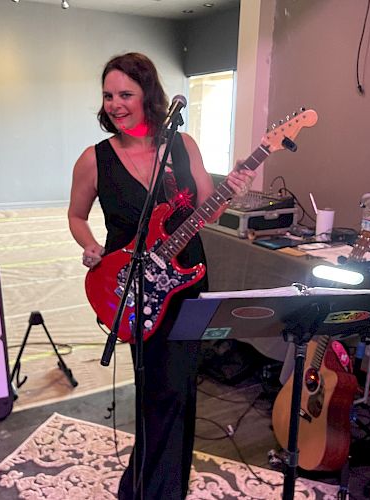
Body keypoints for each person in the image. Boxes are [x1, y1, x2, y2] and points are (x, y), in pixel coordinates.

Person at [68, 52, 256, 500]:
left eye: (125, 94)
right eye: (108, 95)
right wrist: (90, 246)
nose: (115, 104)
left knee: (180, 387)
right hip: (135, 288)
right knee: (158, 390)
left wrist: (233, 189)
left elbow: (208, 208)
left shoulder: (182, 146)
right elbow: (76, 216)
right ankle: (150, 490)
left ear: (147, 95)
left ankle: (154, 487)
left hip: (188, 281)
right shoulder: (94, 160)